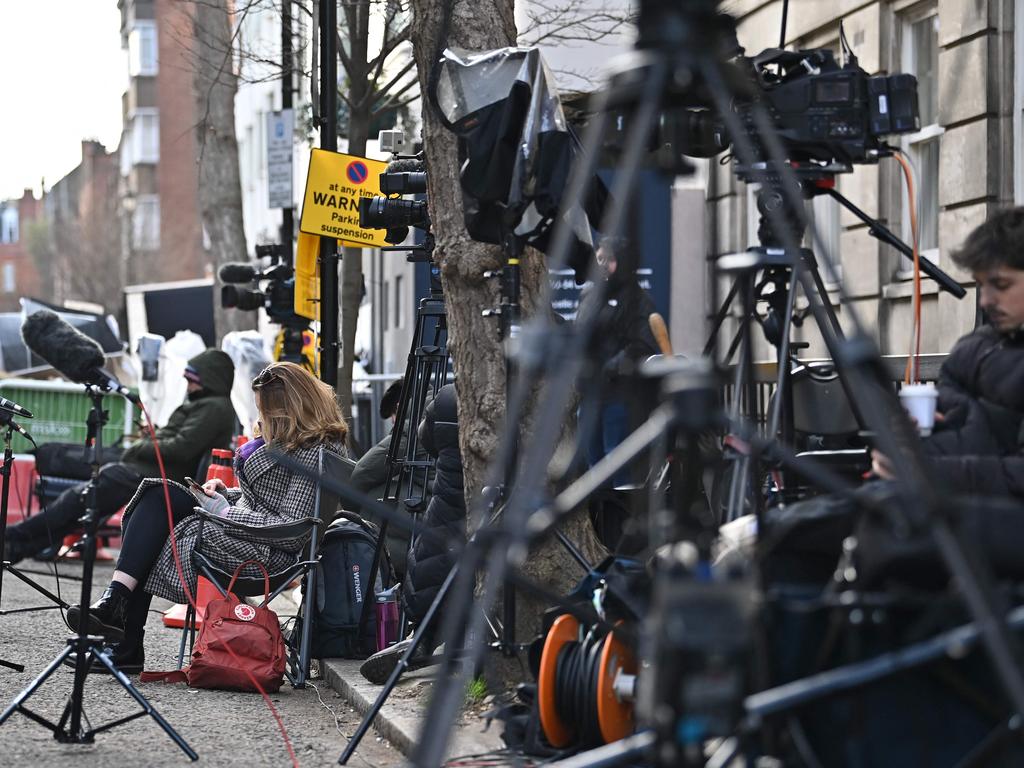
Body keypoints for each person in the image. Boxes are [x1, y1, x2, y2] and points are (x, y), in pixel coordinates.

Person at [65, 362, 348, 673]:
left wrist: (224, 513)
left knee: (158, 521)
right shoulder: (300, 442)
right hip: (249, 539)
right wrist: (224, 495)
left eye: (264, 411)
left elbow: (292, 529)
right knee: (156, 496)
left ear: (287, 410)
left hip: (267, 557)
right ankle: (117, 617)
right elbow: (264, 502)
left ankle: (122, 633)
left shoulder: (315, 452)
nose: (261, 419)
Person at [3, 349, 237, 564]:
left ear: (210, 378)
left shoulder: (214, 407)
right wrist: (152, 436)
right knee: (82, 505)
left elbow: (181, 447)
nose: (187, 386)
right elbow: (181, 440)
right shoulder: (208, 405)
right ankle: (16, 546)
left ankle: (14, 536)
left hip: (152, 475)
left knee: (77, 500)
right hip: (147, 470)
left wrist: (139, 446)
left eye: (191, 381)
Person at [871, 207, 1024, 499]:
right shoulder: (976, 346)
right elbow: (959, 428)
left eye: (1001, 285)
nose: (985, 301)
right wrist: (904, 439)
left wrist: (928, 473)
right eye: (981, 285)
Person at [359, 382, 463, 684]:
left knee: (430, 557)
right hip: (491, 506)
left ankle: (423, 635)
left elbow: (361, 473)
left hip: (445, 505)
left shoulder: (445, 401)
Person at [575, 236, 659, 485]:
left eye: (609, 260)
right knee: (593, 468)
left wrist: (613, 366)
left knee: (619, 467)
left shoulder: (638, 300)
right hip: (590, 396)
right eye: (599, 258)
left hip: (620, 398)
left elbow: (643, 345)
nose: (602, 264)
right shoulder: (589, 296)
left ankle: (620, 521)